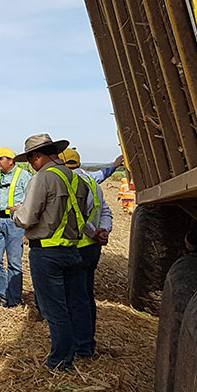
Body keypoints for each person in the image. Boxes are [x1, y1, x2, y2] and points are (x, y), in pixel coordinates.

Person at [11, 133, 94, 371]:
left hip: (46, 253)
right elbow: (82, 215)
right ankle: (83, 348)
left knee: (55, 311)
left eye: (30, 159)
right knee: (76, 303)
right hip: (73, 251)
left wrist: (14, 214)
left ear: (37, 156)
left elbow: (27, 217)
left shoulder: (42, 178)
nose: (30, 164)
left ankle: (60, 361)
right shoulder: (77, 179)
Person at [62, 148, 113, 357]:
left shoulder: (70, 183)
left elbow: (77, 216)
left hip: (79, 248)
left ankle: (82, 346)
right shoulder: (91, 181)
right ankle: (87, 340)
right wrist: (104, 230)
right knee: (86, 295)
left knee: (76, 299)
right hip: (92, 249)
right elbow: (105, 210)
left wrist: (94, 233)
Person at [0, 148, 31, 308]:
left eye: (0, 158)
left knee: (14, 262)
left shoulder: (24, 176)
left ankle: (14, 300)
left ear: (11, 160)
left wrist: (22, 209)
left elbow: (32, 199)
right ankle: (6, 295)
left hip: (15, 223)